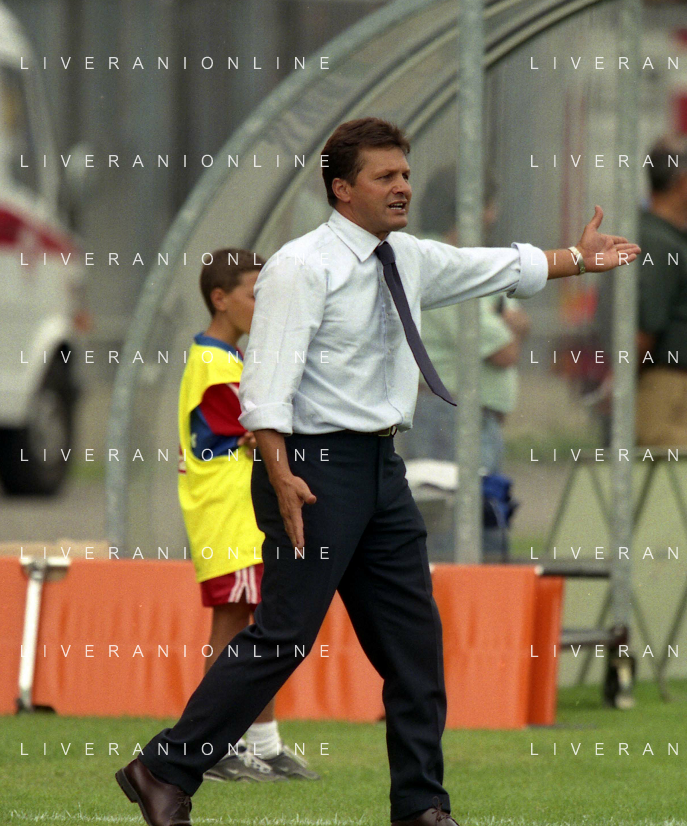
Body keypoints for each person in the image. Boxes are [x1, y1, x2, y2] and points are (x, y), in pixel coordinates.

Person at [115, 116, 640, 826]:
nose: (402, 187)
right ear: (342, 189)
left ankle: (421, 808)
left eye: (405, 174)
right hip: (311, 471)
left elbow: (490, 266)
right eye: (384, 176)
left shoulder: (407, 256)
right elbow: (264, 387)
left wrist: (575, 257)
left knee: (414, 647)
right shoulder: (301, 267)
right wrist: (281, 475)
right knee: (283, 636)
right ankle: (164, 768)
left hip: (380, 472)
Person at [174, 248, 318, 784]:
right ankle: (212, 744)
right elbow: (261, 430)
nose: (264, 305)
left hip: (244, 516)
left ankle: (263, 744)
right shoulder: (213, 364)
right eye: (255, 295)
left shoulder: (228, 358)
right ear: (220, 298)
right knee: (234, 625)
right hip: (227, 517)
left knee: (262, 625)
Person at [397, 165, 530, 561]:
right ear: (465, 209)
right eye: (488, 206)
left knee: (479, 527)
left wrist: (507, 323)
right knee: (456, 536)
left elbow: (512, 322)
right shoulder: (437, 263)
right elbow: (502, 348)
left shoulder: (466, 262)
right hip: (449, 418)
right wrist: (508, 324)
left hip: (471, 417)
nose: (493, 217)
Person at [613, 133, 687, 446]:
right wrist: (622, 388)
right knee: (678, 475)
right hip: (677, 397)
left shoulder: (680, 237)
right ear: (684, 182)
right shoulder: (655, 241)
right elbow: (644, 328)